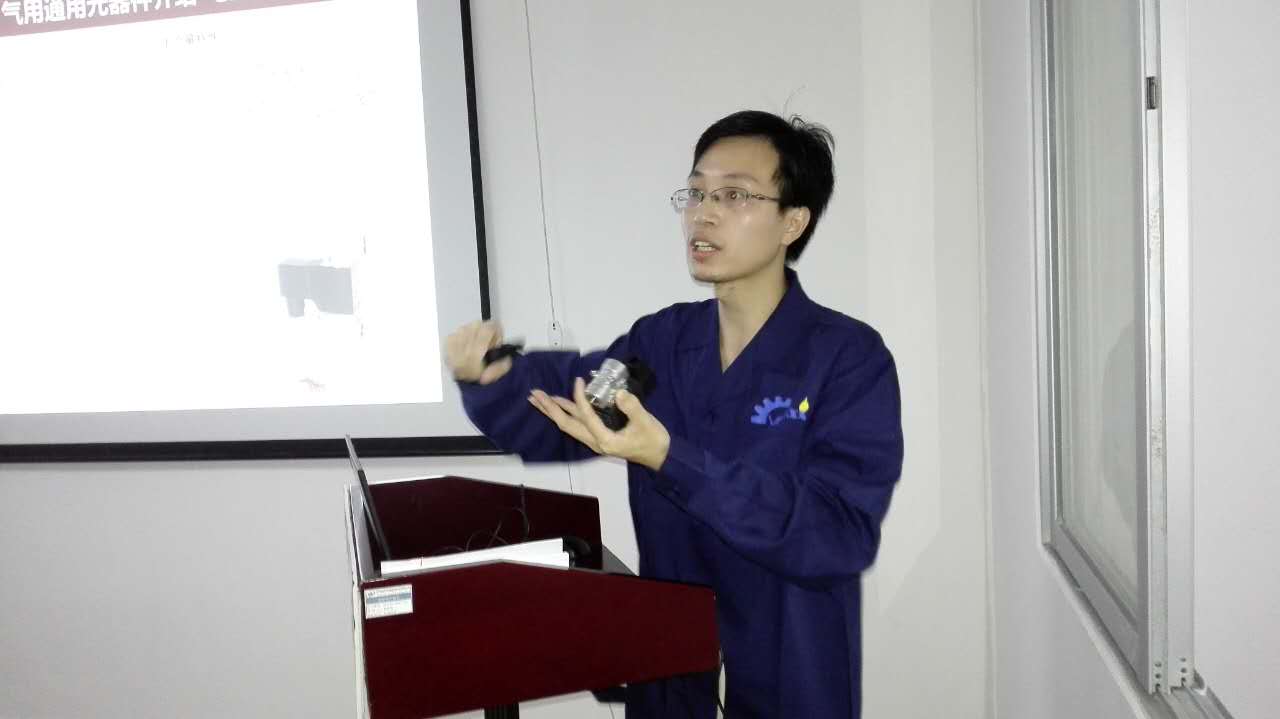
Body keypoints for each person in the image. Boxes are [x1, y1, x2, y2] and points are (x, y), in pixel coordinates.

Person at [447, 110, 904, 718]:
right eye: (696, 193)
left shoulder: (845, 358)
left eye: (734, 195)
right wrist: (492, 378)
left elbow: (837, 534)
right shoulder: (662, 344)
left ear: (793, 221)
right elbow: (570, 403)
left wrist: (670, 458)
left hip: (791, 663)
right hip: (673, 666)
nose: (703, 214)